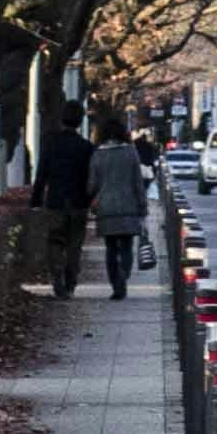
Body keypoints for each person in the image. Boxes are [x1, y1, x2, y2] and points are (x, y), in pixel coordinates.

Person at [86, 114, 152, 300]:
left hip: (106, 208)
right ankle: (125, 272)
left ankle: (116, 283)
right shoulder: (130, 152)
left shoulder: (98, 154)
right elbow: (138, 182)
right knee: (126, 245)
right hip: (129, 206)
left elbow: (91, 185)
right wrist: (143, 205)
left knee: (110, 247)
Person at [36, 103, 97, 295]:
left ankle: (57, 277)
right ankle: (71, 280)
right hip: (79, 202)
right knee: (74, 244)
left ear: (62, 119)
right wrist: (91, 199)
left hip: (56, 201)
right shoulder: (86, 147)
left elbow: (41, 174)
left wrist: (36, 200)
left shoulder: (50, 144)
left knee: (55, 241)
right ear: (79, 122)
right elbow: (91, 176)